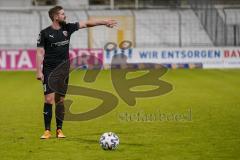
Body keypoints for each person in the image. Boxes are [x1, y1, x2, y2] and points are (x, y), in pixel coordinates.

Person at [36, 6, 117, 139]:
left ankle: (59, 130)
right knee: (49, 99)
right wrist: (38, 71)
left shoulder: (67, 28)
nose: (65, 16)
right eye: (62, 14)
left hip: (63, 70)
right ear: (55, 17)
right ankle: (46, 131)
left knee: (60, 100)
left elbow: (86, 23)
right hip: (49, 70)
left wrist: (104, 21)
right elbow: (39, 52)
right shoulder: (44, 33)